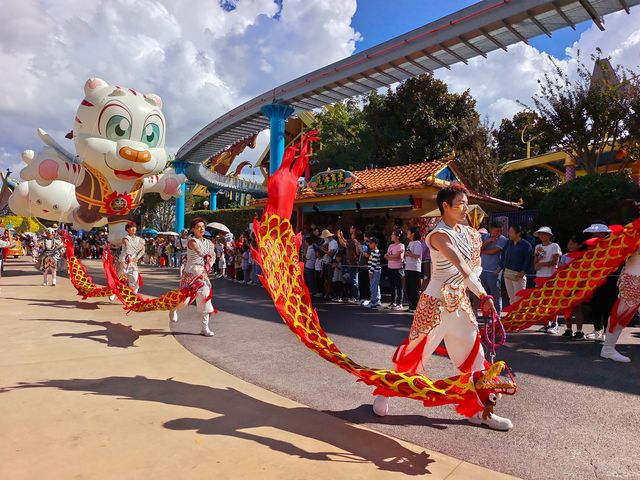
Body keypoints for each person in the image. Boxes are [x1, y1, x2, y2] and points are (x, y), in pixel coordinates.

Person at [372, 183, 512, 431]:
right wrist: (482, 293)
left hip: (461, 305)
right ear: (445, 206)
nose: (464, 209)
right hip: (435, 304)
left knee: (475, 360)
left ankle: (481, 411)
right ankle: (384, 393)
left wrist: (476, 290)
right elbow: (461, 264)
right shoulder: (438, 235)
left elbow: (475, 266)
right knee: (414, 355)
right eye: (459, 205)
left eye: (466, 205)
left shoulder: (470, 234)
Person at [169, 218, 216, 336]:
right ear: (193, 229)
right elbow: (200, 251)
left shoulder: (210, 243)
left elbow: (213, 255)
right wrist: (207, 256)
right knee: (184, 301)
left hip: (203, 274)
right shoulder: (192, 241)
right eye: (198, 227)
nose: (201, 229)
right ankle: (173, 308)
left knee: (206, 298)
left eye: (203, 227)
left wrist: (211, 262)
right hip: (190, 274)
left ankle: (204, 328)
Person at [583, 223, 618, 342]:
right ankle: (597, 330)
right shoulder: (591, 245)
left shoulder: (614, 245)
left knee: (608, 307)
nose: (595, 235)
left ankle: (606, 332)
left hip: (610, 280)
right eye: (594, 233)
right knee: (595, 305)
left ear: (604, 233)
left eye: (598, 233)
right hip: (594, 280)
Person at [533, 226, 562, 334]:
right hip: (540, 275)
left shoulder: (554, 246)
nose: (542, 236)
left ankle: (555, 323)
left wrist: (541, 263)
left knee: (552, 300)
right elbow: (535, 263)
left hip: (551, 275)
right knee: (542, 301)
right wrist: (537, 256)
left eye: (545, 234)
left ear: (549, 235)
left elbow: (555, 261)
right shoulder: (538, 247)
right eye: (540, 234)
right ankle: (546, 323)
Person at [109, 221, 145, 300]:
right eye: (131, 227)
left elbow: (142, 250)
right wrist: (129, 256)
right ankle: (114, 293)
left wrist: (137, 257)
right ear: (128, 230)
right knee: (118, 278)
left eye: (134, 227)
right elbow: (128, 247)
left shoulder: (140, 240)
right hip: (123, 261)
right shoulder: (125, 239)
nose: (133, 229)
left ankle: (134, 295)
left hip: (133, 262)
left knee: (135, 278)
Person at [559, 235, 586, 340]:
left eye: (573, 243)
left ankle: (579, 331)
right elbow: (560, 269)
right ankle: (568, 329)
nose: (570, 245)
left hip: (578, 286)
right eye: (569, 243)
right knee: (567, 308)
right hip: (566, 286)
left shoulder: (582, 256)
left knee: (577, 308)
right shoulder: (565, 256)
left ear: (579, 245)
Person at [500, 225, 532, 306]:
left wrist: (523, 271)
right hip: (508, 273)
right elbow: (503, 255)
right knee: (511, 298)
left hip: (519, 274)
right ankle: (512, 317)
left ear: (518, 233)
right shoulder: (508, 243)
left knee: (519, 298)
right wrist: (502, 267)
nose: (509, 234)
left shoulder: (526, 245)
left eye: (511, 232)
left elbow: (528, 259)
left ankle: (520, 317)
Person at [480, 221, 508, 314]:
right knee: (485, 295)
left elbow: (494, 251)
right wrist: (488, 241)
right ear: (491, 229)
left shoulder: (503, 239)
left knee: (495, 294)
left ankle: (497, 314)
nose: (499, 233)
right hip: (482, 270)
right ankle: (487, 315)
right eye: (497, 231)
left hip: (494, 271)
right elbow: (477, 248)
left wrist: (482, 251)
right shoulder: (484, 237)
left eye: (501, 231)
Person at [337, 226, 360, 303]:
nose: (351, 229)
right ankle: (354, 296)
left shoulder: (355, 241)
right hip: (350, 263)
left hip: (353, 263)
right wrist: (342, 237)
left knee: (354, 280)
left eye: (353, 228)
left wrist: (339, 237)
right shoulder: (351, 240)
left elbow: (344, 244)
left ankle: (356, 297)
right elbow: (346, 241)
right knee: (352, 280)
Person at [384, 229, 405, 311]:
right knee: (392, 286)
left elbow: (397, 256)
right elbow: (385, 255)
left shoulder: (401, 245)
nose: (391, 236)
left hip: (398, 268)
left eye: (393, 235)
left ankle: (400, 303)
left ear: (397, 237)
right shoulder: (390, 246)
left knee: (399, 286)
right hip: (390, 268)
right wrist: (391, 256)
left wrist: (390, 256)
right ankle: (393, 302)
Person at [405, 227, 423, 313]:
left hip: (415, 268)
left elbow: (417, 255)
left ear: (412, 233)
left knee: (414, 288)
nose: (407, 233)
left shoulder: (417, 243)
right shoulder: (410, 243)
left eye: (408, 231)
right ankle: (411, 306)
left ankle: (416, 307)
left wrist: (408, 254)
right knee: (408, 287)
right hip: (408, 267)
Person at [363, 237, 382, 308]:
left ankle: (373, 302)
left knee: (373, 287)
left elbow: (374, 263)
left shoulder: (376, 252)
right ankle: (377, 300)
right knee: (376, 286)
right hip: (374, 271)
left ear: (376, 244)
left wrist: (370, 272)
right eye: (369, 243)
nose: (369, 244)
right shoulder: (373, 252)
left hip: (375, 272)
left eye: (371, 243)